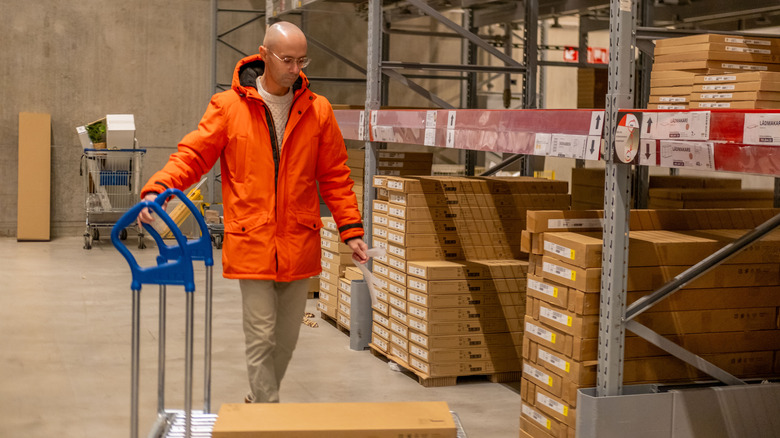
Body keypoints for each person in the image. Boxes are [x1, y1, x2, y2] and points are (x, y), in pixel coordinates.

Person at [137, 21, 368, 403]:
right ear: (263, 56)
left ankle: (261, 399)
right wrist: (158, 191)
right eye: (288, 60)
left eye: (302, 60)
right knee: (261, 335)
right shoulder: (228, 108)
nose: (296, 69)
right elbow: (193, 155)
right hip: (253, 240)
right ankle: (267, 410)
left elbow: (335, 176)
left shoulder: (318, 111)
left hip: (299, 241)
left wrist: (351, 230)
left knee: (288, 339)